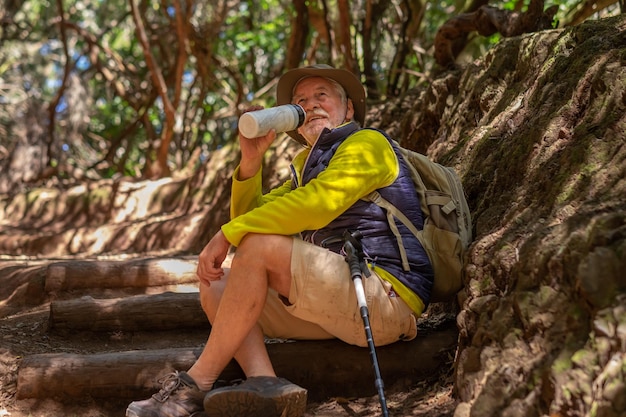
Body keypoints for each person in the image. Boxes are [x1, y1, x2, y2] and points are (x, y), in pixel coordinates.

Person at [126, 64, 434, 417]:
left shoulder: (368, 142)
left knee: (258, 245)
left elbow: (319, 204)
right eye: (301, 101)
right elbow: (252, 221)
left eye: (322, 96)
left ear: (348, 109)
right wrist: (251, 160)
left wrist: (229, 234)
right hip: (334, 303)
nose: (312, 104)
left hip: (383, 298)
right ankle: (266, 383)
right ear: (293, 118)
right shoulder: (305, 168)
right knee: (216, 284)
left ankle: (194, 386)